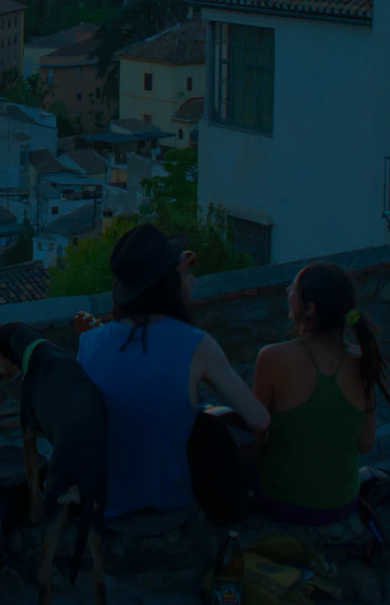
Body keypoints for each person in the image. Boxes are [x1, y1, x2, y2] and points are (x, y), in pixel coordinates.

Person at [76, 223, 272, 520]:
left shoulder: (88, 342)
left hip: (103, 509)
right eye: (185, 273)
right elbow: (259, 419)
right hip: (171, 508)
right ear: (169, 282)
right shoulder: (198, 345)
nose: (192, 280)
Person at [249, 260, 390, 525]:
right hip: (340, 502)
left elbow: (254, 441)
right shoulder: (362, 360)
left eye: (293, 287)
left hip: (280, 500)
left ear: (310, 308)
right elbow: (365, 443)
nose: (287, 291)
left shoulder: (271, 358)